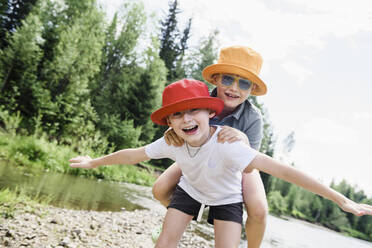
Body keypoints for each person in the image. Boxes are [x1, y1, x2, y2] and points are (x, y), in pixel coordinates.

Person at [69, 79, 372, 248]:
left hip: (227, 198)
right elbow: (132, 154)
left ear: (211, 113)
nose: (187, 119)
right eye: (177, 115)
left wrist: (340, 198)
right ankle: (189, 217)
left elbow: (284, 171)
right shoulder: (172, 141)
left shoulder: (230, 146)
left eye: (194, 111)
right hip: (189, 190)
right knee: (166, 240)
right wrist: (93, 162)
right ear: (169, 122)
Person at [152, 45, 269, 247]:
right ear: (216, 79)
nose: (234, 88)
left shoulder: (253, 118)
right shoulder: (198, 98)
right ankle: (181, 217)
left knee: (259, 210)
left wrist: (243, 139)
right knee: (160, 189)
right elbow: (180, 116)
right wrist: (174, 130)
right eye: (227, 79)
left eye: (243, 83)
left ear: (251, 89)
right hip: (198, 155)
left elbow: (249, 166)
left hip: (237, 168)